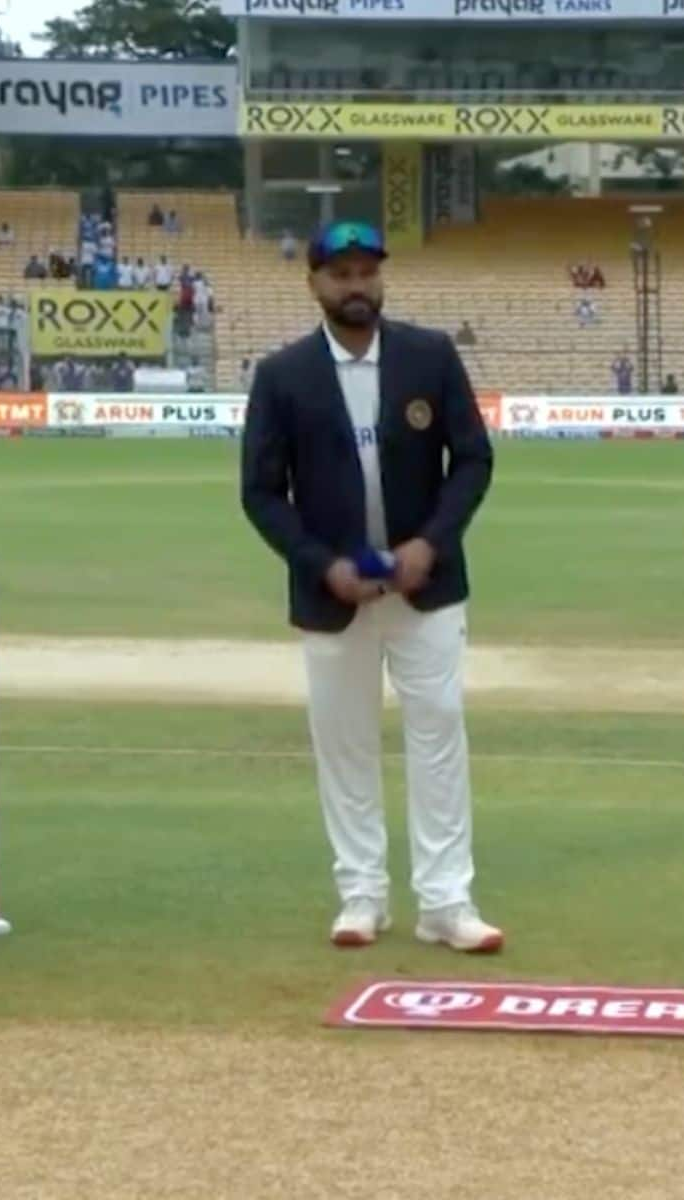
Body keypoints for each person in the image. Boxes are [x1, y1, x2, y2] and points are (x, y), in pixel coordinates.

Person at [238, 220, 501, 954]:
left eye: (367, 273)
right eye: (341, 275)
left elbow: (474, 461)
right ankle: (361, 896)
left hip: (427, 591)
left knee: (439, 732)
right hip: (333, 597)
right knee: (345, 745)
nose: (357, 287)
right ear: (315, 283)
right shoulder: (283, 376)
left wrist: (429, 544)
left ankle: (447, 901)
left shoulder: (430, 356)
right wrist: (323, 564)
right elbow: (260, 494)